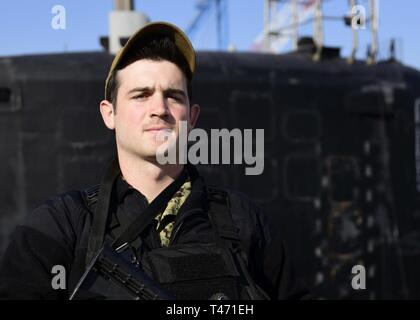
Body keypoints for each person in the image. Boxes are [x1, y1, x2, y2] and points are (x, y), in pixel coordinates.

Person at [0, 22, 311, 300]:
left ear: (192, 117)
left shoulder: (243, 222)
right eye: (141, 95)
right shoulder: (58, 229)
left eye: (173, 96)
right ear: (110, 114)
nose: (159, 108)